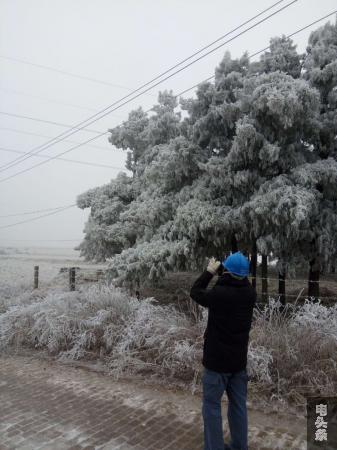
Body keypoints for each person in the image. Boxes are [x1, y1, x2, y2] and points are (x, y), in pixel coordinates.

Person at [190, 251, 256, 450]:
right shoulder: (249, 293)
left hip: (216, 364)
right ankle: (239, 446)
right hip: (238, 364)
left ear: (227, 271)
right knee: (238, 407)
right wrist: (225, 274)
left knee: (211, 407)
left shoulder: (220, 293)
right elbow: (234, 284)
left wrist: (210, 272)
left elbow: (196, 291)